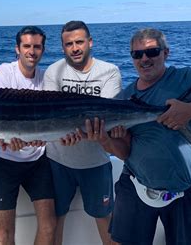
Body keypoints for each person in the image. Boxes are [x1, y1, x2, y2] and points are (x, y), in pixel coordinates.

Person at [109, 28, 191, 245]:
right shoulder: (125, 97)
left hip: (187, 193)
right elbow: (124, 152)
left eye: (152, 52)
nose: (144, 59)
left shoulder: (187, 78)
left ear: (166, 53)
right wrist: (105, 138)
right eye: (137, 54)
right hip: (135, 187)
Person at [43, 20, 122, 245]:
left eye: (79, 42)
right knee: (56, 219)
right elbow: (52, 117)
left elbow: (104, 119)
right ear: (63, 47)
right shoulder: (53, 71)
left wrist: (75, 130)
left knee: (104, 218)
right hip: (57, 161)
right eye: (69, 44)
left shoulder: (109, 71)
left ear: (90, 42)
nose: (75, 48)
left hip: (95, 162)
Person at [0, 26, 56, 245]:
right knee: (5, 231)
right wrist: (0, 139)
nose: (31, 52)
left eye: (37, 47)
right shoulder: (3, 72)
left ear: (43, 50)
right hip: (5, 161)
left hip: (38, 160)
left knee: (49, 224)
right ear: (17, 49)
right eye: (26, 46)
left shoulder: (48, 77)